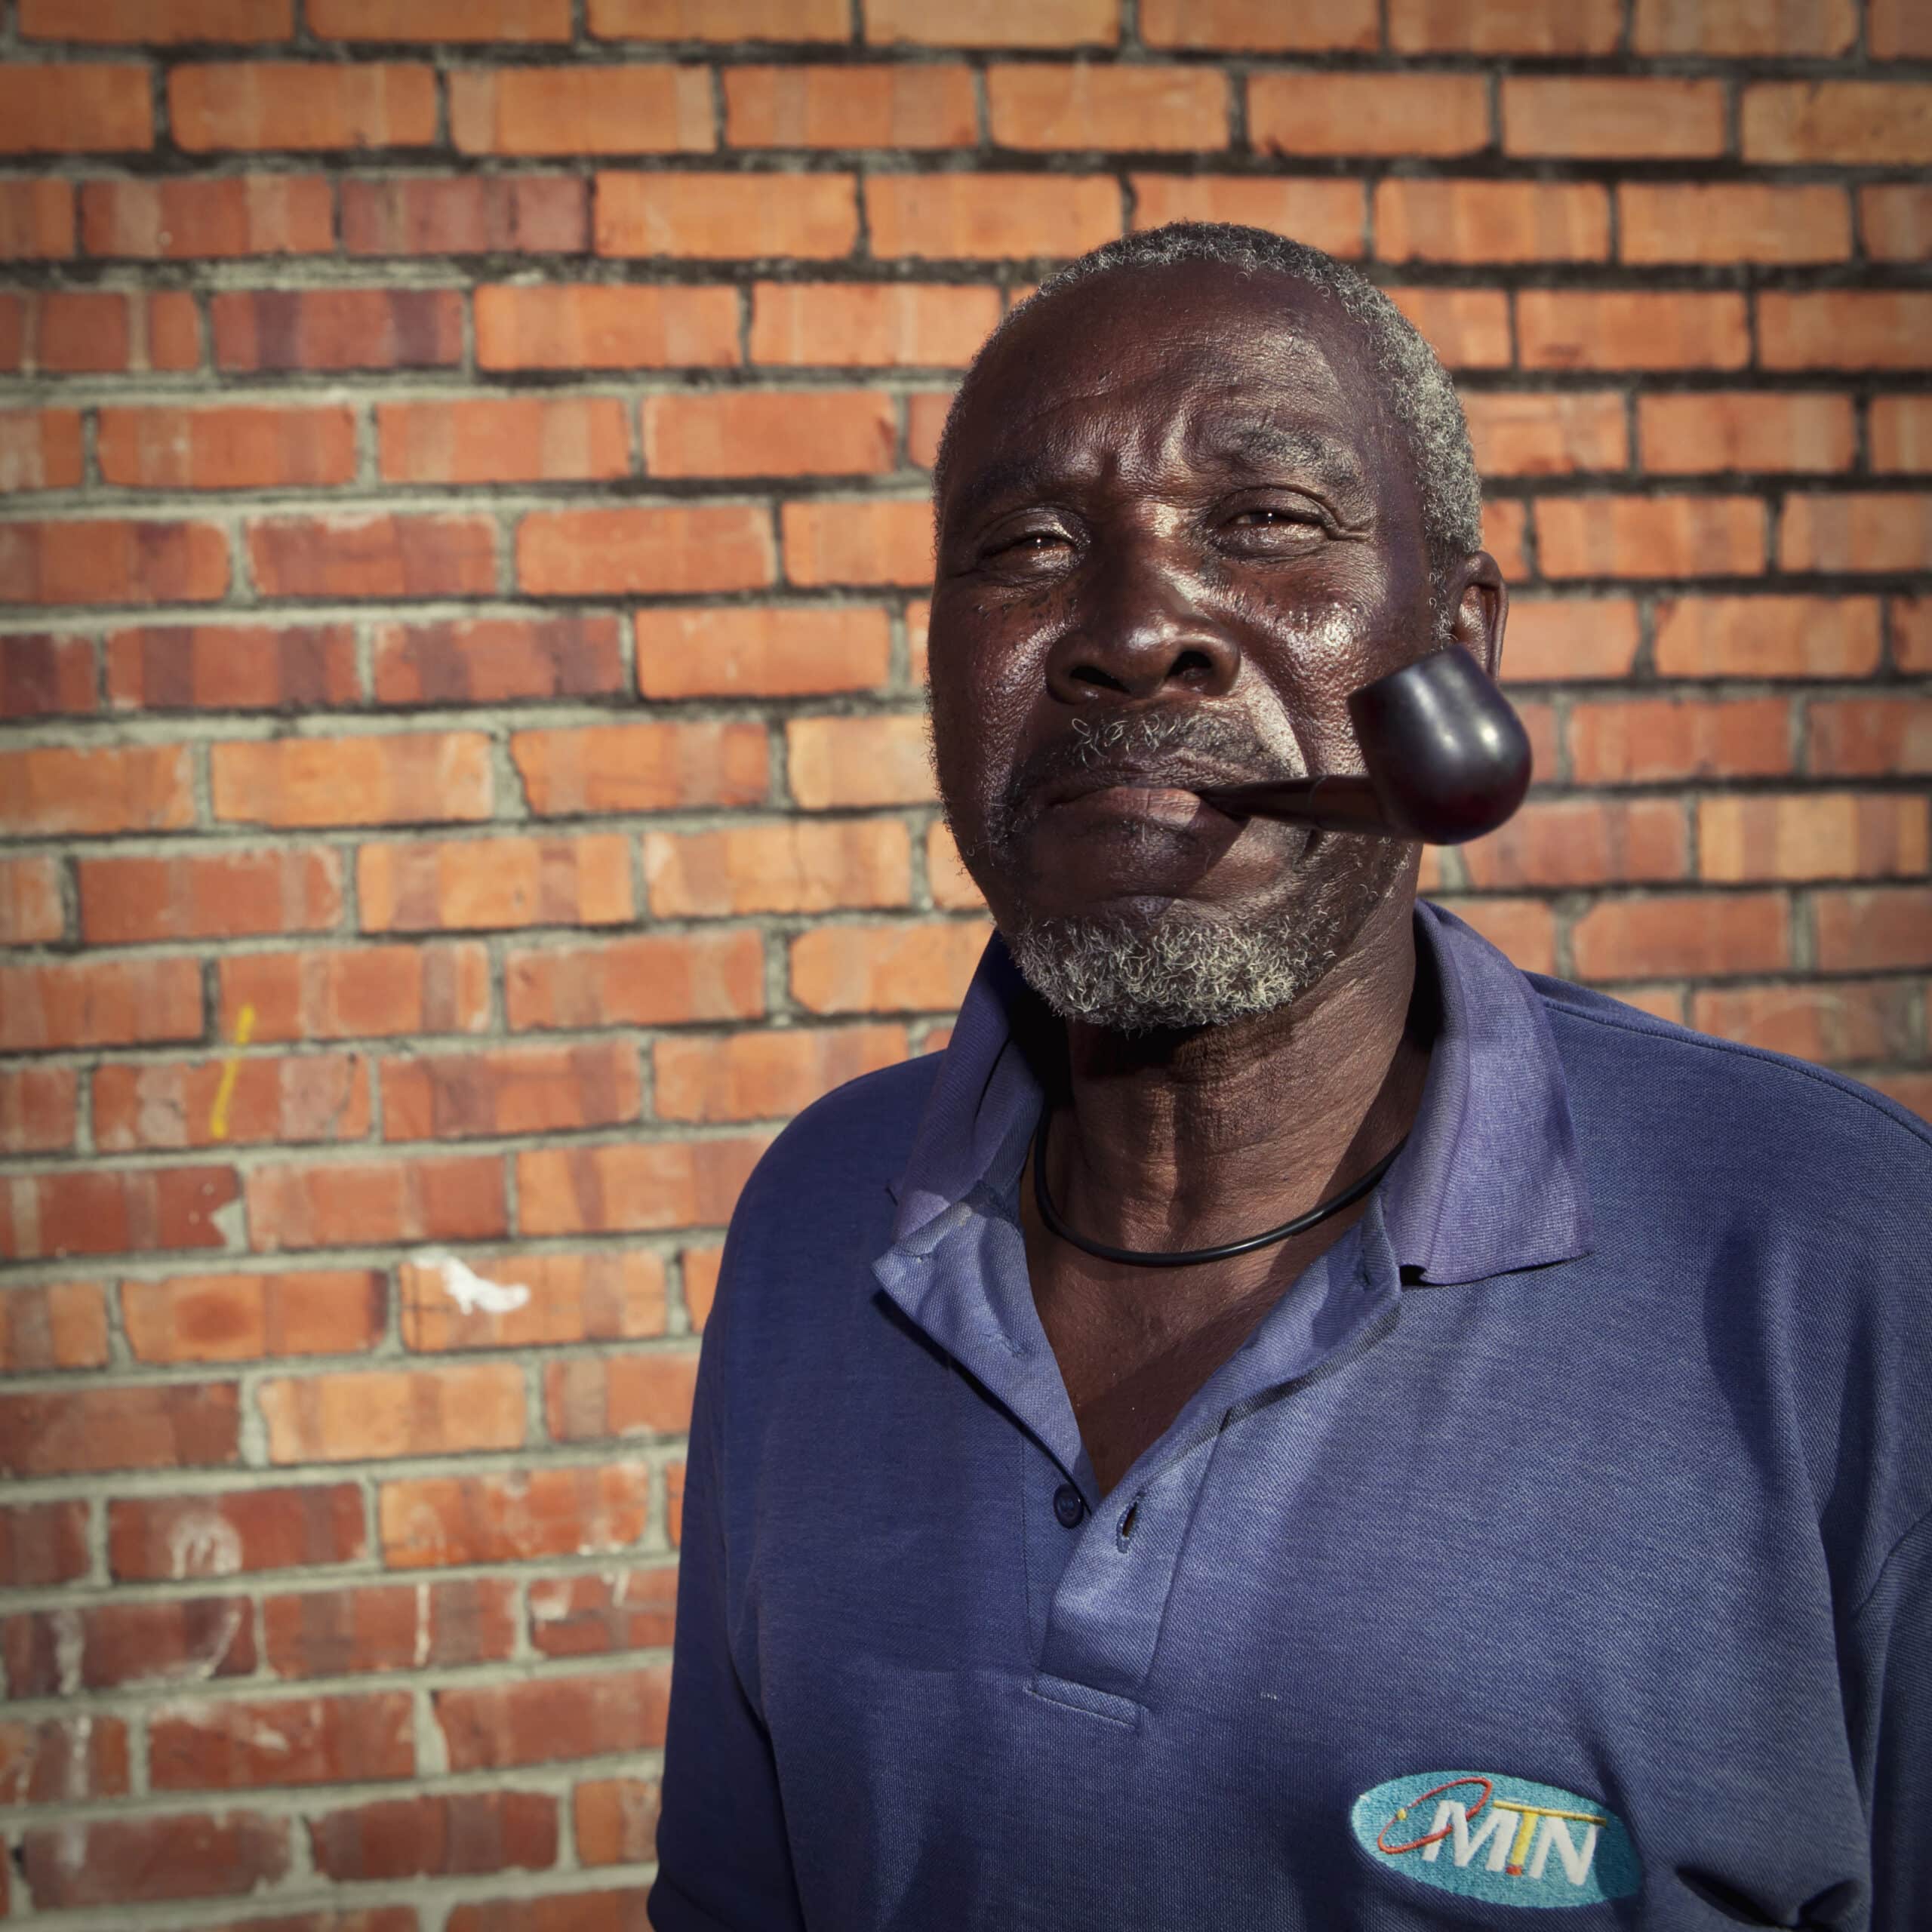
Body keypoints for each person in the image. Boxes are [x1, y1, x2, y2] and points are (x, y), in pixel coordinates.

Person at [649, 224, 1930, 1929]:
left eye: (1260, 524)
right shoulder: (817, 1213)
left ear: (1454, 645)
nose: (1130, 631)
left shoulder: (1835, 1259)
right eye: (1025, 544)